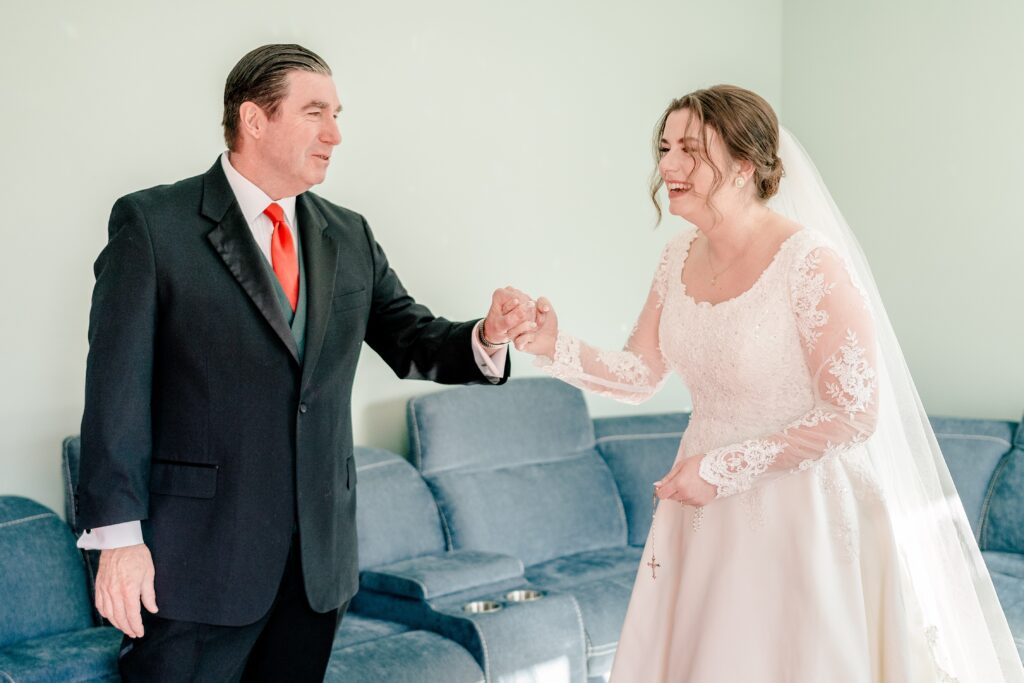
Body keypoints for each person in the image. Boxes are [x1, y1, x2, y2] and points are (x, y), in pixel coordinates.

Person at [513, 85, 1024, 681]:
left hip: (800, 510)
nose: (668, 166)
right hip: (702, 513)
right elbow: (641, 372)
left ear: (744, 165)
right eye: (664, 147)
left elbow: (853, 413)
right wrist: (553, 346)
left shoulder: (809, 263)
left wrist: (723, 468)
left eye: (690, 150)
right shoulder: (676, 257)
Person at [74, 43, 538, 681]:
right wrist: (119, 544)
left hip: (318, 568)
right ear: (254, 119)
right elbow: (114, 391)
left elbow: (411, 339)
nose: (336, 134)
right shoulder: (154, 225)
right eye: (315, 112)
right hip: (193, 566)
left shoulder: (347, 233)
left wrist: (487, 335)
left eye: (338, 114)